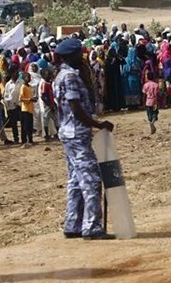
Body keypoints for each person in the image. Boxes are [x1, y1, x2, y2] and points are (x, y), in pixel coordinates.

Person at [53, 38, 115, 240]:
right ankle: (92, 226)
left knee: (75, 180)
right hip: (77, 133)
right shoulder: (70, 77)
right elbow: (76, 109)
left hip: (68, 132)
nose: (81, 57)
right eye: (78, 54)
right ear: (68, 57)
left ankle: (73, 224)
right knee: (91, 179)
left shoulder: (60, 75)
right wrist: (99, 125)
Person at [3, 67, 22, 144]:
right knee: (14, 123)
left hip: (20, 105)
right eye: (15, 73)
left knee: (22, 122)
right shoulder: (8, 84)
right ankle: (16, 138)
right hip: (12, 106)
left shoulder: (21, 82)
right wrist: (8, 108)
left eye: (17, 73)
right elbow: (6, 96)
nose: (16, 74)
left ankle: (24, 138)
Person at [39, 69, 58, 140]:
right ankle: (46, 135)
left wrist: (54, 104)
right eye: (48, 75)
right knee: (46, 120)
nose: (49, 76)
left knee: (56, 119)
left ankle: (57, 134)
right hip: (47, 105)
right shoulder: (44, 84)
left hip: (52, 104)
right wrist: (50, 105)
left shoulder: (49, 84)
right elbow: (43, 96)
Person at [19, 72, 35, 147]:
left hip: (30, 108)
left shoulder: (30, 86)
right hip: (25, 108)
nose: (29, 78)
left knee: (30, 125)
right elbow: (21, 98)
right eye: (28, 77)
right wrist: (29, 99)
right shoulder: (23, 87)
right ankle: (25, 140)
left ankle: (30, 139)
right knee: (26, 125)